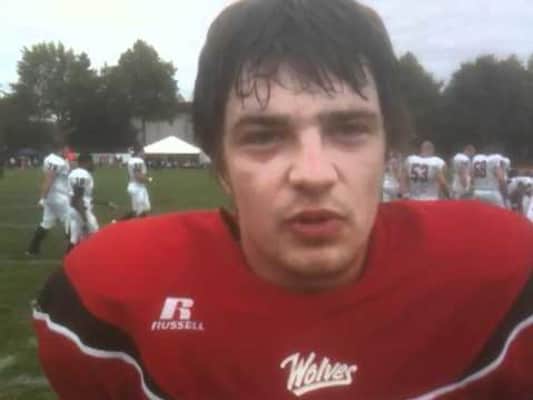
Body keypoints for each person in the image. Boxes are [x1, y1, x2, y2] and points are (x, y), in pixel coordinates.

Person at [33, 1, 533, 399]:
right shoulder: (103, 307)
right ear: (221, 165)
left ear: (387, 148)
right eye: (264, 136)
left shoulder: (505, 280)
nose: (313, 174)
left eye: (349, 129)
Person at [26, 144, 70, 255]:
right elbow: (49, 179)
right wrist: (42, 198)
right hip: (59, 197)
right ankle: (72, 251)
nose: (68, 152)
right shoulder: (56, 161)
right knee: (72, 222)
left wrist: (44, 198)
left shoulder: (51, 158)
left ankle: (32, 249)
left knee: (46, 222)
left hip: (52, 197)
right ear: (60, 149)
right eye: (66, 149)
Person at [65, 152, 99, 253]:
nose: (93, 164)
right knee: (95, 234)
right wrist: (85, 219)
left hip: (76, 209)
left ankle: (70, 259)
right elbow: (77, 198)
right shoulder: (82, 174)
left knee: (75, 239)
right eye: (92, 162)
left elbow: (83, 197)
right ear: (86, 162)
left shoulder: (76, 173)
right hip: (80, 210)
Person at [120, 144, 152, 220]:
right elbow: (138, 175)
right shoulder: (138, 161)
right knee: (140, 211)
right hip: (137, 187)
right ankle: (120, 222)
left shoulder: (132, 160)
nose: (144, 153)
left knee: (143, 209)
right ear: (139, 152)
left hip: (136, 186)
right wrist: (149, 179)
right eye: (143, 151)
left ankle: (122, 221)